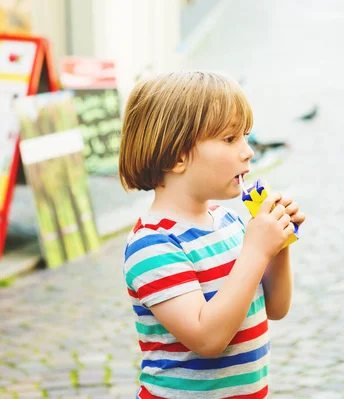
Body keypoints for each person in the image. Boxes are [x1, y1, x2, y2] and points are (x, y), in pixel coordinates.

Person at [118, 71, 305, 399]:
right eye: (230, 139)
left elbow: (275, 307)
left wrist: (278, 244)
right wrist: (257, 250)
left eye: (246, 137)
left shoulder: (227, 222)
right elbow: (207, 338)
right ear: (178, 156)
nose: (248, 151)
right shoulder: (153, 244)